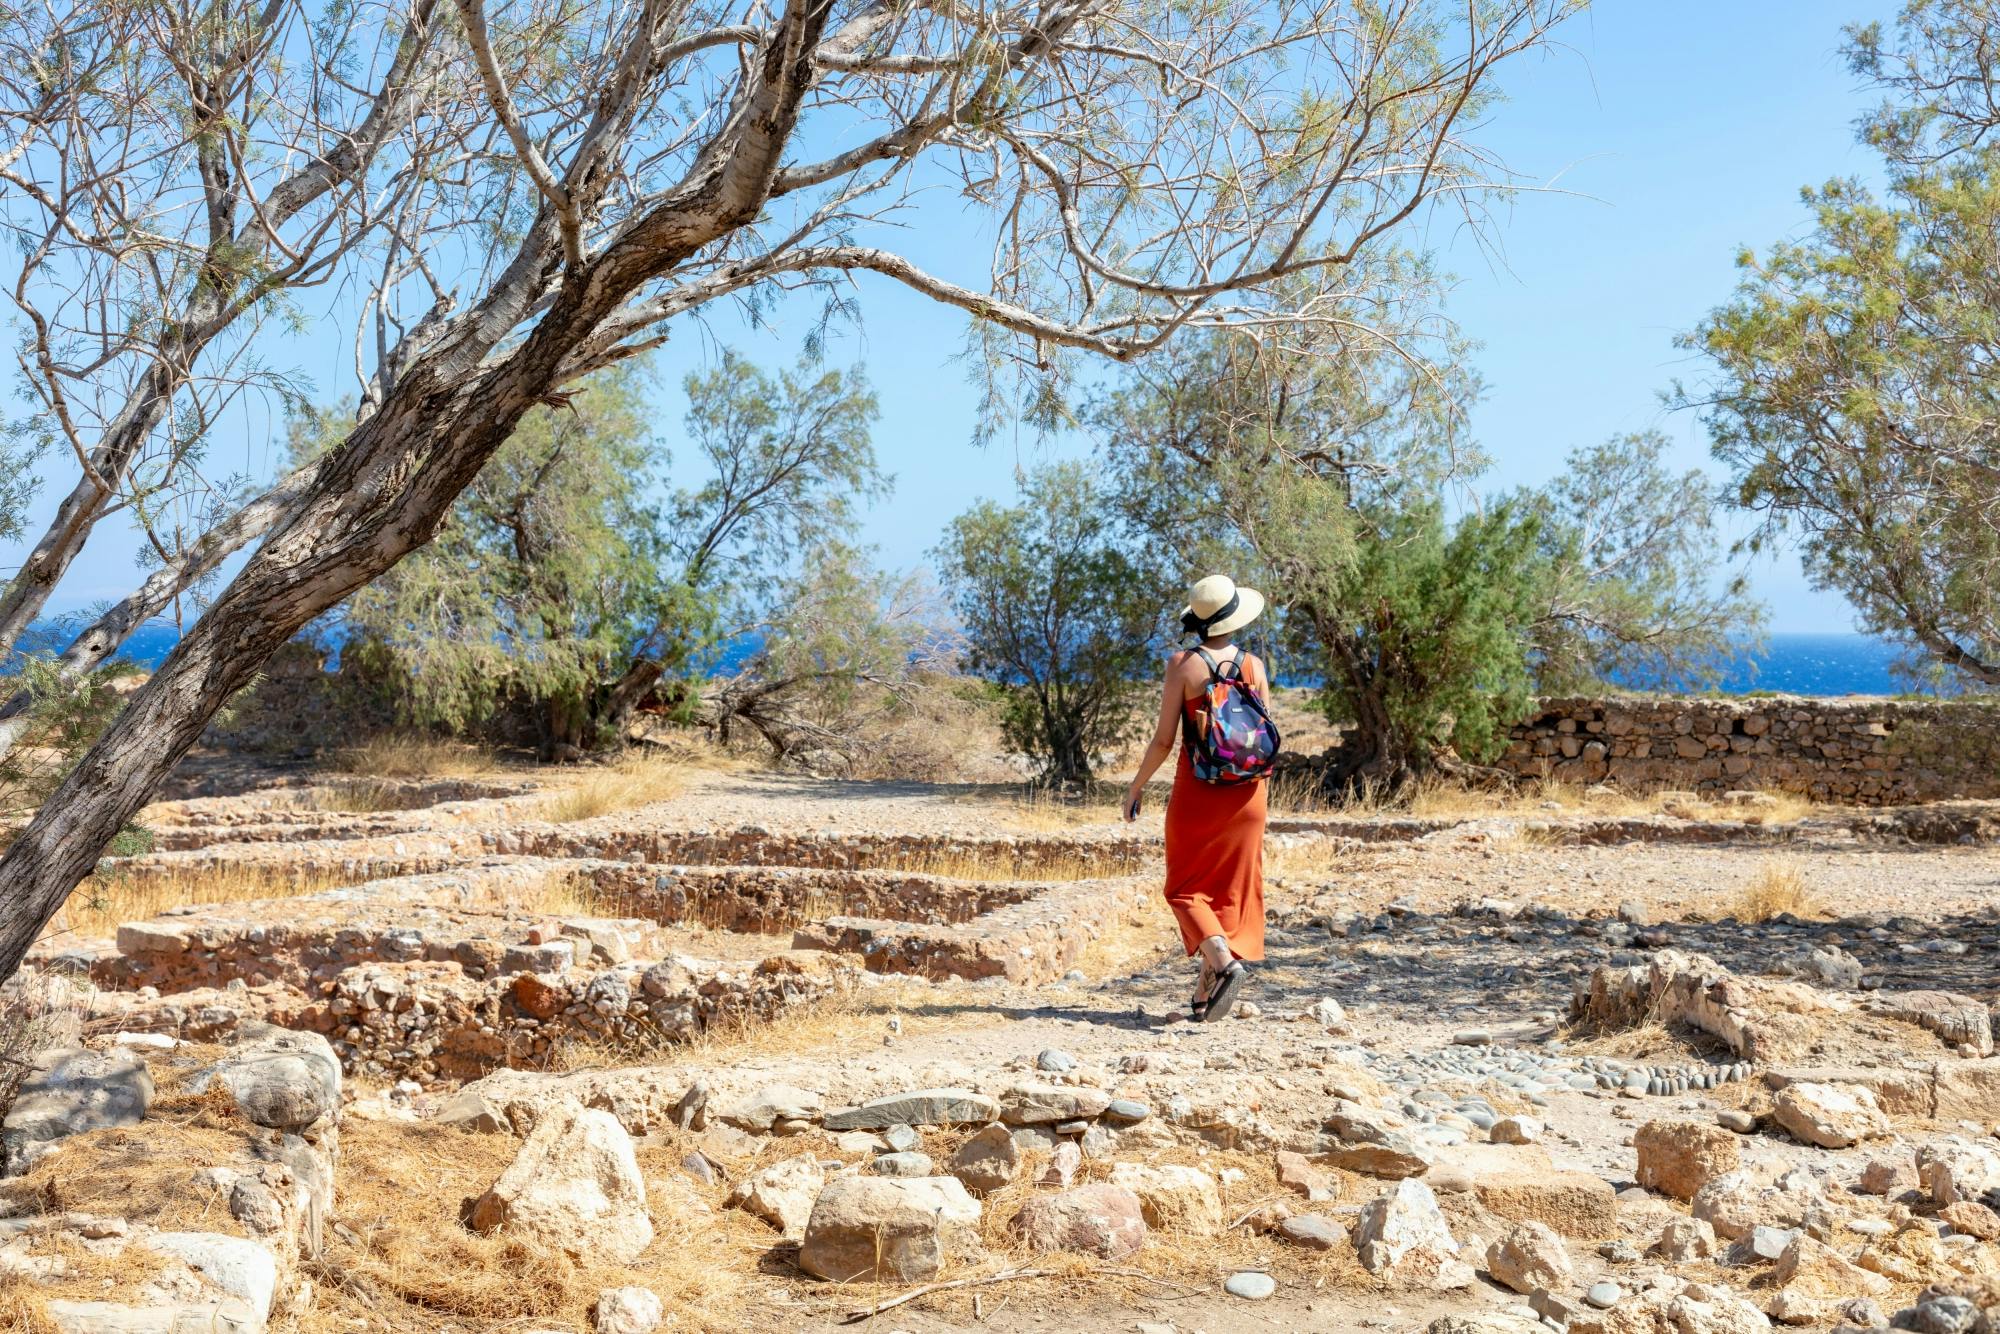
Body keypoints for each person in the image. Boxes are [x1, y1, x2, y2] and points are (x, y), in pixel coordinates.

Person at [1122, 574, 1271, 1022]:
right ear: (1234, 617)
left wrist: (1136, 786)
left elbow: (1165, 741)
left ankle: (1224, 966)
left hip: (1199, 789)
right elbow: (1262, 735)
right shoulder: (1254, 666)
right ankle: (1205, 994)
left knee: (1184, 888)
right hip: (1250, 793)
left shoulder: (1183, 665)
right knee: (1226, 891)